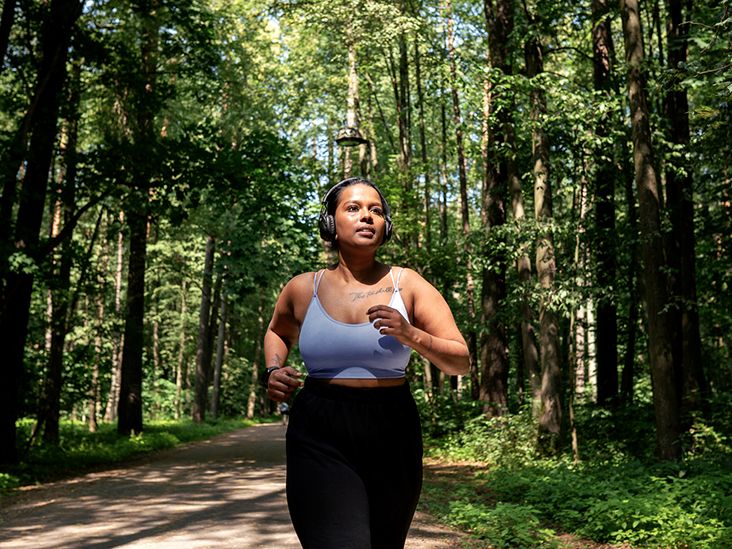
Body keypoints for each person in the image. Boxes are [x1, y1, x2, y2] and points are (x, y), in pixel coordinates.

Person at [264, 177, 469, 549]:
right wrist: (274, 369)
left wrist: (412, 335)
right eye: (354, 208)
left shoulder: (408, 285)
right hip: (319, 429)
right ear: (331, 224)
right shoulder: (301, 288)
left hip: (393, 428)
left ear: (385, 227)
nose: (367, 217)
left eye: (376, 211)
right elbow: (277, 332)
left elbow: (461, 361)